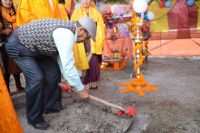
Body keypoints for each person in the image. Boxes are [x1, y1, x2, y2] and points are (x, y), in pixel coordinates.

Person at [5, 17, 96, 130]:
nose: (85, 41)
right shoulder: (66, 34)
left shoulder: (68, 32)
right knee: (36, 79)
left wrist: (74, 83)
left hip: (37, 49)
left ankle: (51, 106)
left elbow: (62, 63)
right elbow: (68, 66)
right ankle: (34, 118)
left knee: (53, 72)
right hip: (19, 45)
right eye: (87, 38)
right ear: (81, 30)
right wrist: (81, 89)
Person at [71, 0, 105, 89]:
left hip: (93, 39)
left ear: (91, 1)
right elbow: (73, 26)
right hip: (81, 40)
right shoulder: (76, 12)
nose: (86, 2)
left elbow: (101, 26)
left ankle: (92, 81)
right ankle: (85, 79)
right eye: (84, 0)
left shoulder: (95, 12)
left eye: (88, 0)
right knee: (84, 58)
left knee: (93, 58)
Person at [0, 0, 24, 92]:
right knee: (6, 68)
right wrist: (3, 31)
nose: (8, 2)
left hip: (15, 42)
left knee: (15, 64)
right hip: (4, 43)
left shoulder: (14, 11)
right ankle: (7, 90)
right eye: (5, 0)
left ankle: (18, 86)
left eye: (10, 0)